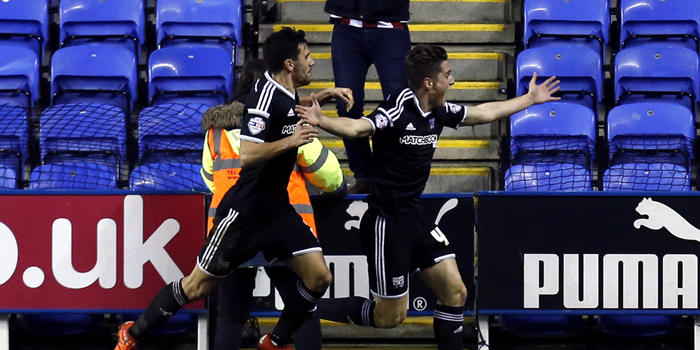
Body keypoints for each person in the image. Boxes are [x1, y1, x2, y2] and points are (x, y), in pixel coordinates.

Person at [296, 44, 561, 350]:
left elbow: (481, 113)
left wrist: (529, 99)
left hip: (415, 218)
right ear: (429, 83)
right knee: (389, 317)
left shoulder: (439, 111)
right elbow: (359, 128)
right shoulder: (398, 107)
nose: (453, 81)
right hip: (387, 223)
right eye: (448, 75)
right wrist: (324, 121)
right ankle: (305, 308)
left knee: (455, 293)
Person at [114, 27, 340, 350]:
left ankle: (274, 342)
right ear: (290, 64)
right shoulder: (263, 98)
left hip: (277, 212)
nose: (313, 62)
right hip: (242, 215)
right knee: (196, 287)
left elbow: (287, 110)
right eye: (307, 56)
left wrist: (327, 95)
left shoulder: (285, 93)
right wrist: (292, 140)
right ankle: (131, 334)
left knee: (320, 277)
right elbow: (248, 155)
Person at [201, 100, 347, 350]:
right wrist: (339, 189)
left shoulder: (215, 133)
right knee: (303, 309)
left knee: (231, 316)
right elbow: (328, 175)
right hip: (281, 231)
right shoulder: (288, 126)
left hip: (232, 231)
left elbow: (209, 180)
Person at [324, 0, 412, 194]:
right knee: (346, 105)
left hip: (391, 27)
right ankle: (364, 177)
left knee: (399, 107)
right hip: (347, 27)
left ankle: (393, 177)